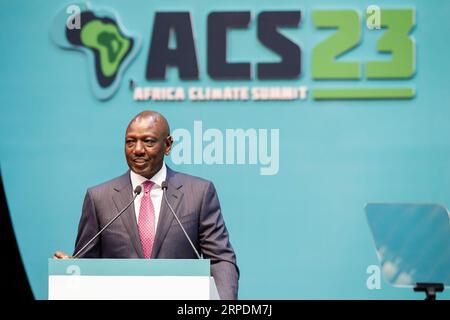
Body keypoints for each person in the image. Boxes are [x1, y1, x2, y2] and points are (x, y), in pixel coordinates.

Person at [54, 110, 239, 299]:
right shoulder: (98, 198)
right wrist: (71, 269)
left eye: (148, 141)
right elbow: (86, 265)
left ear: (167, 145)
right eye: (130, 142)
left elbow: (220, 260)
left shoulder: (199, 193)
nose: (138, 149)